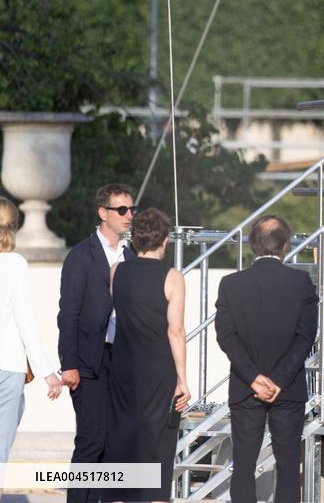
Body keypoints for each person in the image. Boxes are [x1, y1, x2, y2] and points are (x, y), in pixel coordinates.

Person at [216, 215, 318, 503]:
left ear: (252, 246)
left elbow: (226, 336)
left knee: (244, 466)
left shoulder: (231, 284)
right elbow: (306, 336)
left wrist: (254, 378)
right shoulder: (301, 282)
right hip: (288, 388)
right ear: (285, 246)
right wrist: (278, 380)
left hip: (245, 388)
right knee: (287, 467)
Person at [103, 207, 189, 503]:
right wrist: (183, 379)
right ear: (165, 240)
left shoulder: (117, 271)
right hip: (158, 370)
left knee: (122, 439)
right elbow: (175, 331)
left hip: (124, 367)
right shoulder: (172, 277)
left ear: (135, 238)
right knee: (157, 445)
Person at [57, 183, 136, 503]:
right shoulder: (81, 255)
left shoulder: (130, 256)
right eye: (121, 210)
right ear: (102, 213)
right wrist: (69, 364)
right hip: (88, 362)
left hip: (121, 362)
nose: (129, 216)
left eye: (131, 209)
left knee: (113, 443)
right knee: (91, 440)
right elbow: (68, 314)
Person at [0, 197, 62, 465]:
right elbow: (26, 322)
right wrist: (48, 372)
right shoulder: (16, 265)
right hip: (9, 367)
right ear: (14, 226)